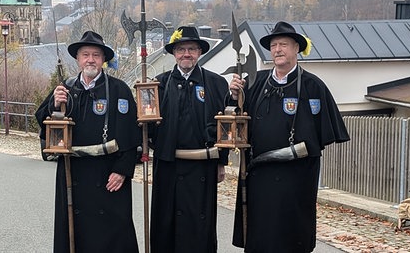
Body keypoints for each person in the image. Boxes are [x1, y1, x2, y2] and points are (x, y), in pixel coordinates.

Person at [229, 21, 350, 253]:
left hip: (296, 178)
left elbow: (323, 136)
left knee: (292, 236)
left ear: (297, 48)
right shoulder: (256, 83)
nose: (277, 50)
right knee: (261, 235)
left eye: (283, 44)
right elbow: (236, 118)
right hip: (260, 176)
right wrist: (235, 95)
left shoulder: (313, 87)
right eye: (274, 45)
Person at [35, 31, 140, 253]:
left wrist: (122, 170)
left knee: (112, 234)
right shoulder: (66, 88)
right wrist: (54, 105)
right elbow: (42, 122)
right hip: (73, 172)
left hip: (108, 173)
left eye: (96, 55)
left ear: (103, 59)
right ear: (78, 59)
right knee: (75, 233)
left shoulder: (119, 89)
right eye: (85, 55)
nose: (90, 59)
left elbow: (132, 134)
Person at [149, 26, 229, 253]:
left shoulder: (215, 84)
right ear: (174, 53)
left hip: (202, 167)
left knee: (199, 227)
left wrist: (221, 161)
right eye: (181, 49)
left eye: (191, 49)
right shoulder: (158, 84)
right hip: (168, 166)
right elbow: (147, 127)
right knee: (166, 223)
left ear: (199, 52)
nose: (186, 54)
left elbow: (223, 126)